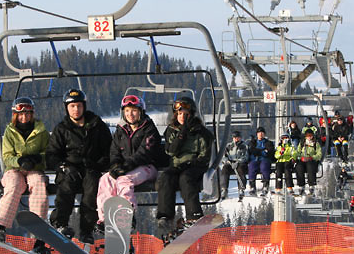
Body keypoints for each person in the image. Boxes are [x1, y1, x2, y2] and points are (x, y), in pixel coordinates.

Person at [46, 89, 112, 244]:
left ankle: (87, 230)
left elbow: (109, 150)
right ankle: (60, 223)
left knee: (91, 190)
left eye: (79, 106)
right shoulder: (62, 129)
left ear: (84, 106)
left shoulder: (97, 126)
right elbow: (52, 154)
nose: (76, 110)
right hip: (70, 168)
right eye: (72, 106)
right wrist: (62, 166)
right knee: (66, 188)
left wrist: (97, 164)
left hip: (91, 168)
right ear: (67, 108)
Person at [0, 97, 51, 254]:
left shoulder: (41, 131)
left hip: (34, 169)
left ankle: (39, 232)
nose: (25, 117)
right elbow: (7, 156)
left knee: (38, 184)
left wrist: (38, 159)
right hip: (15, 169)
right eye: (21, 114)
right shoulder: (10, 132)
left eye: (28, 114)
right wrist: (19, 161)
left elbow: (49, 153)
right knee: (14, 186)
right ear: (15, 115)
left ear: (32, 114)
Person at [96, 95, 163, 232]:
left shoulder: (149, 129)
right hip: (126, 168)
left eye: (133, 111)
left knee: (123, 181)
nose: (130, 114)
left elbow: (145, 153)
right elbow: (114, 151)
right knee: (105, 179)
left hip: (147, 167)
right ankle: (105, 218)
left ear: (140, 112)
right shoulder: (121, 130)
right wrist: (115, 165)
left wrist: (125, 167)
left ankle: (126, 215)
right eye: (127, 111)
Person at [156, 96, 213, 234]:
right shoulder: (172, 130)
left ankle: (194, 216)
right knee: (166, 177)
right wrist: (182, 133)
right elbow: (171, 150)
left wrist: (192, 163)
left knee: (186, 178)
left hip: (195, 165)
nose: (182, 117)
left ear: (191, 114)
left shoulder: (201, 132)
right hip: (177, 165)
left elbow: (204, 156)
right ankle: (165, 216)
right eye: (179, 114)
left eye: (185, 114)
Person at [220, 130, 248, 200]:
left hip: (240, 163)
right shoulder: (229, 146)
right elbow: (224, 156)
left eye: (238, 137)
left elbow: (245, 156)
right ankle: (224, 189)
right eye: (235, 138)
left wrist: (238, 162)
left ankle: (241, 189)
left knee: (240, 170)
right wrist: (228, 161)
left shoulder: (244, 146)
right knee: (224, 170)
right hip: (230, 163)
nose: (236, 139)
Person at [247, 126, 275, 196]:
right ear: (257, 134)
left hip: (265, 159)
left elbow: (269, 151)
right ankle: (252, 186)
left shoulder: (268, 142)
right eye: (259, 133)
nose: (260, 134)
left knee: (264, 167)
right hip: (255, 159)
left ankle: (265, 185)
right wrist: (262, 151)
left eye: (262, 133)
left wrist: (258, 152)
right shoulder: (253, 142)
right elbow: (252, 150)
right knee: (252, 166)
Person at [294, 128, 322, 195]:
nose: (309, 137)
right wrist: (296, 157)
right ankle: (301, 185)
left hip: (311, 160)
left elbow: (319, 154)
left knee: (310, 167)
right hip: (303, 159)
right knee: (299, 167)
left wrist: (312, 157)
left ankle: (311, 185)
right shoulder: (302, 143)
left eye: (310, 136)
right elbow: (297, 152)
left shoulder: (315, 144)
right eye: (307, 136)